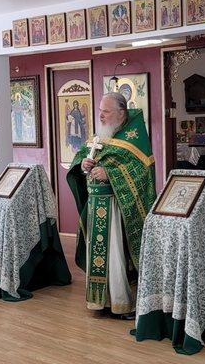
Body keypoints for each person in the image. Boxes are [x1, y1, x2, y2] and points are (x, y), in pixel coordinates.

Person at [67, 92, 156, 319]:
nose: (101, 115)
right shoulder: (100, 137)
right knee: (98, 254)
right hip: (96, 205)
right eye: (100, 111)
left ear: (121, 113)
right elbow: (80, 159)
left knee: (116, 254)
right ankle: (100, 302)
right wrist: (83, 164)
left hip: (118, 210)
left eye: (106, 111)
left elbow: (141, 173)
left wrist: (110, 173)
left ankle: (121, 302)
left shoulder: (135, 138)